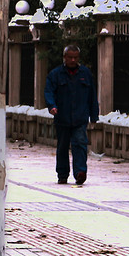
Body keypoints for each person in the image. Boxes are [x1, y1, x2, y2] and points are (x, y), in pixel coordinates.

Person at [44, 44, 99, 185]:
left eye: (75, 57)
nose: (73, 60)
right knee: (62, 146)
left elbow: (92, 95)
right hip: (62, 117)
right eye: (70, 57)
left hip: (80, 117)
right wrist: (52, 106)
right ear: (65, 57)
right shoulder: (55, 74)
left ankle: (80, 172)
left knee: (80, 143)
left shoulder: (85, 74)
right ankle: (62, 174)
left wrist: (94, 115)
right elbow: (49, 92)